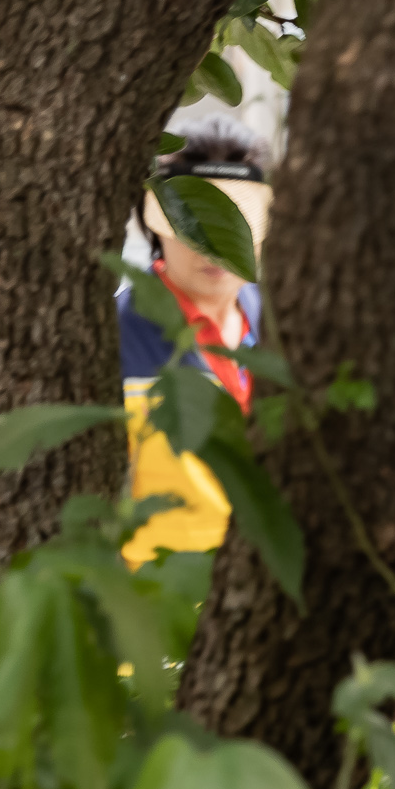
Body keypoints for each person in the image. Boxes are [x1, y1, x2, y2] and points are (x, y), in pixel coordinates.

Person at [118, 117, 271, 566]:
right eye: (195, 218)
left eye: (237, 216)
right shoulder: (109, 338)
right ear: (155, 223)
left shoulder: (289, 331)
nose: (214, 242)